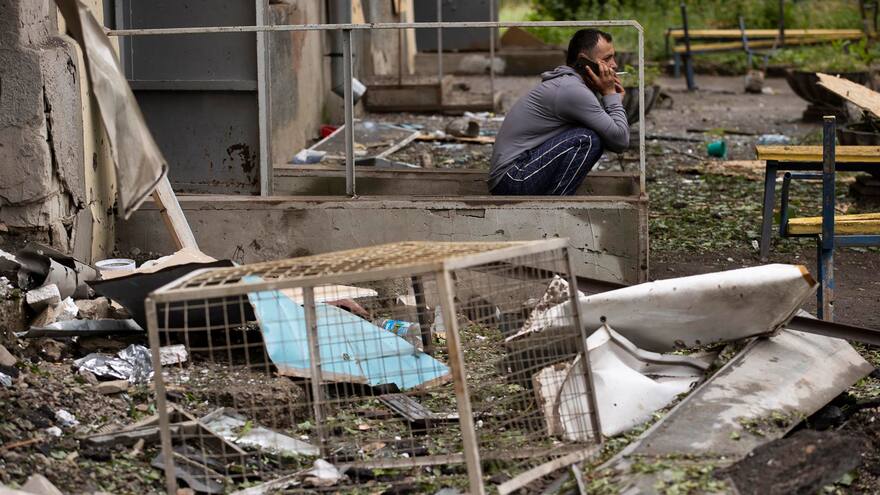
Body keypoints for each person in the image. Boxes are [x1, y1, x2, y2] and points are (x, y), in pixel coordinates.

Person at [488, 29, 629, 195]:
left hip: (517, 172)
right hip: (512, 178)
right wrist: (610, 95)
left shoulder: (572, 84)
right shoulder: (572, 90)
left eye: (613, 56)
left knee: (593, 134)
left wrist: (612, 99)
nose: (614, 65)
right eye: (606, 59)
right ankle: (555, 207)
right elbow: (620, 141)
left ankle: (553, 202)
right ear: (584, 62)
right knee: (587, 139)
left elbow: (611, 132)